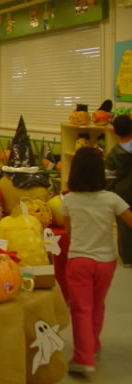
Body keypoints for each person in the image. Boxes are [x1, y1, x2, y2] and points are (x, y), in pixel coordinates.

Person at [60, 147, 132, 375]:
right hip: (106, 262)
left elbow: (68, 229)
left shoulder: (69, 200)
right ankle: (93, 345)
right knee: (97, 305)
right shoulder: (112, 199)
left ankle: (83, 358)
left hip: (79, 260)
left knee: (81, 308)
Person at [105, 115, 132, 267]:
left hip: (121, 195)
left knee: (124, 226)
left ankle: (128, 259)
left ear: (115, 132)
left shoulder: (113, 154)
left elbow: (109, 178)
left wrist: (110, 192)